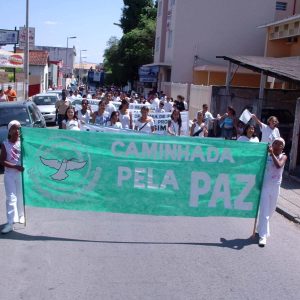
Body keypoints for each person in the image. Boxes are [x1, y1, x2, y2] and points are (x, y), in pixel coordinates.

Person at [257, 137, 287, 247]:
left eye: (279, 144)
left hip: (276, 187)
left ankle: (261, 227)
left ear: (282, 147)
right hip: (265, 186)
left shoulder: (283, 156)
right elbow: (259, 168)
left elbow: (279, 165)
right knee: (264, 211)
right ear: (272, 144)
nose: (277, 146)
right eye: (275, 143)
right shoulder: (266, 156)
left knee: (271, 211)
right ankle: (263, 236)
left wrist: (271, 154)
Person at [0, 120, 25, 234]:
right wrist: (15, 166)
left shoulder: (22, 143)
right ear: (9, 131)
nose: (17, 131)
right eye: (14, 128)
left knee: (20, 196)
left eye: (19, 128)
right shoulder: (5, 144)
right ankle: (10, 223)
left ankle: (21, 215)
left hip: (20, 174)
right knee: (11, 198)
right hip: (10, 174)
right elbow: (2, 161)